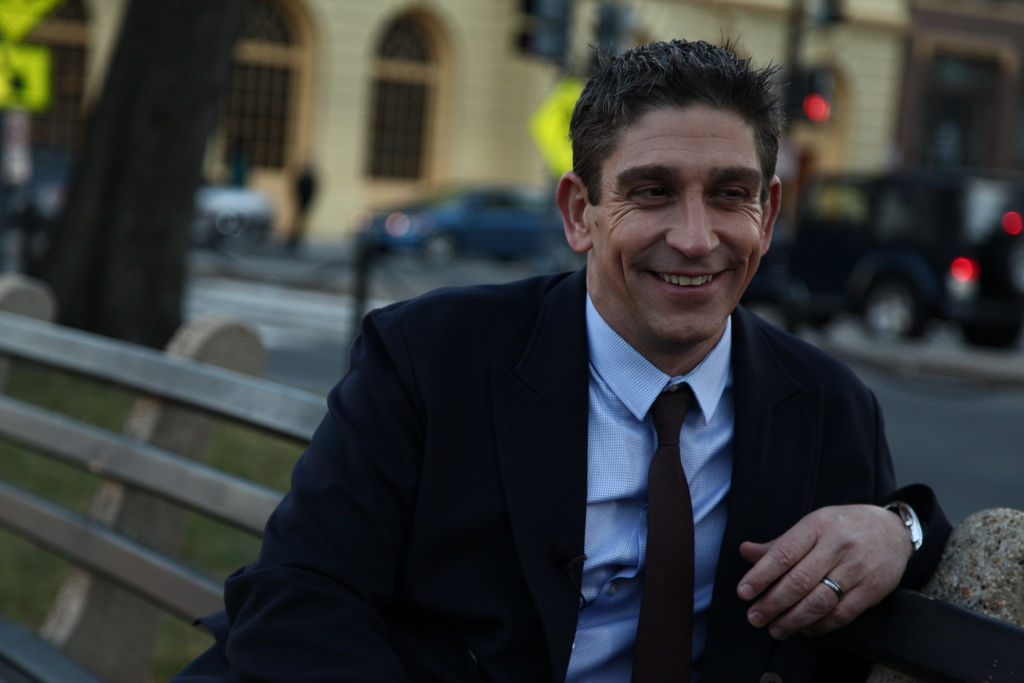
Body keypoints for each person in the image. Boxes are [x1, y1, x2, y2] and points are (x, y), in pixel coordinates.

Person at [174, 40, 951, 683]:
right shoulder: (428, 356)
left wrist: (900, 531)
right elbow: (300, 595)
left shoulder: (826, 403)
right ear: (581, 212)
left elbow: (911, 533)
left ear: (768, 213)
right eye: (653, 192)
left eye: (729, 194)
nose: (695, 237)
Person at [285, 161, 317, 254]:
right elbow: (297, 190)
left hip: (305, 203)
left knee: (301, 223)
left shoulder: (310, 179)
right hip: (300, 203)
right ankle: (292, 238)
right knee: (296, 222)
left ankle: (297, 238)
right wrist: (298, 201)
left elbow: (312, 191)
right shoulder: (302, 178)